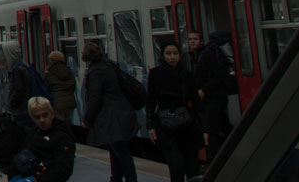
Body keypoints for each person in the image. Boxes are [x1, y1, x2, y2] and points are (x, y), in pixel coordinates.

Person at [82, 41, 137, 182]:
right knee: (116, 150)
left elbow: (95, 98)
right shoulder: (109, 65)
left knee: (120, 151)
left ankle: (128, 179)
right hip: (121, 112)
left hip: (111, 117)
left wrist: (87, 119)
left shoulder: (96, 72)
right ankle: (116, 178)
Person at [147, 37, 200, 182]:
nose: (172, 57)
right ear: (163, 56)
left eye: (175, 53)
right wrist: (150, 126)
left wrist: (204, 128)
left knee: (192, 167)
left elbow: (195, 102)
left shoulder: (187, 75)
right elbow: (150, 101)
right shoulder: (156, 74)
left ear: (179, 55)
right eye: (168, 54)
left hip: (186, 125)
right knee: (176, 166)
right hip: (165, 126)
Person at [6, 97, 77, 182]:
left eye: (45, 115)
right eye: (37, 117)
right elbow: (21, 160)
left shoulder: (63, 137)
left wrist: (37, 180)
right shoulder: (33, 134)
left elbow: (63, 171)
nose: (42, 120)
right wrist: (4, 174)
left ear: (52, 114)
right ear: (32, 118)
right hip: (30, 175)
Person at [194, 31, 236, 158]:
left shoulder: (207, 55)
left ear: (202, 41)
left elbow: (217, 76)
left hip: (213, 98)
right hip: (217, 97)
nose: (192, 42)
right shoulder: (200, 54)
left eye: (195, 39)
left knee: (211, 131)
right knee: (223, 126)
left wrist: (203, 90)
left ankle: (215, 162)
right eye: (190, 39)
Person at [5, 42, 32, 128]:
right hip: (25, 107)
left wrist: (12, 104)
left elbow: (19, 89)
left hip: (21, 109)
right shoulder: (24, 65)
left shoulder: (16, 69)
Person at [45, 51, 77, 125]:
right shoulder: (68, 70)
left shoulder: (50, 72)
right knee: (68, 122)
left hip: (57, 102)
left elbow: (47, 86)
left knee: (59, 124)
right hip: (70, 102)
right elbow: (73, 85)